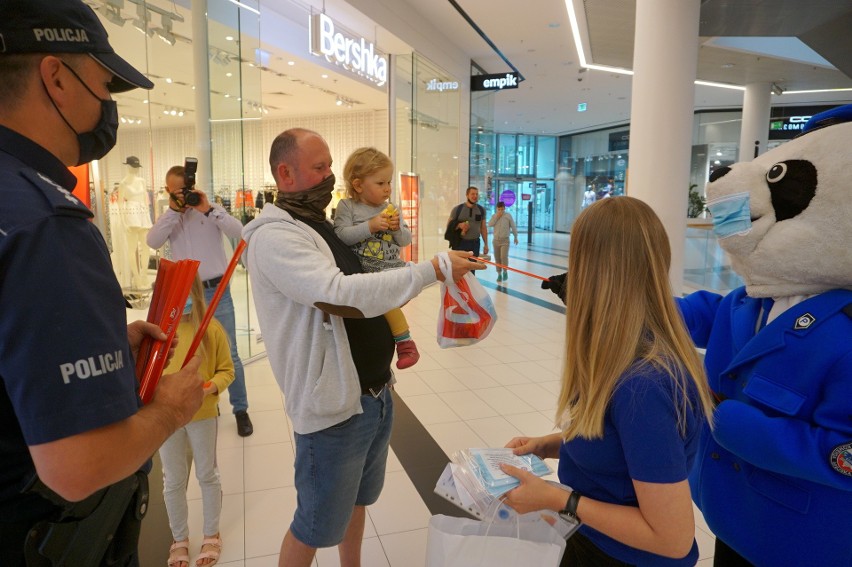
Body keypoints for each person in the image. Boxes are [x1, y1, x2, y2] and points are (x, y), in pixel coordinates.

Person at [0, 2, 204, 565]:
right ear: (57, 77)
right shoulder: (47, 224)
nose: (109, 105)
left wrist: (97, 349)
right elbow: (77, 467)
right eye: (105, 84)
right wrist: (168, 411)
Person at [241, 128, 483, 567]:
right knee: (314, 525)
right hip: (333, 410)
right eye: (319, 167)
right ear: (285, 172)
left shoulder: (326, 225)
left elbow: (373, 280)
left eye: (330, 165)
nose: (331, 175)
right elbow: (340, 294)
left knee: (356, 503)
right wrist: (430, 270)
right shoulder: (277, 237)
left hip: (375, 394)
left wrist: (422, 276)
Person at [500, 197, 715, 566]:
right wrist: (548, 445)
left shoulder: (643, 385)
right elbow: (617, 442)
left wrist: (557, 499)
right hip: (593, 541)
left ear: (593, 269)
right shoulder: (619, 354)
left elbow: (672, 538)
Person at [147, 165, 254, 437]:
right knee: (194, 351)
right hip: (187, 294)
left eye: (182, 191)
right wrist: (173, 211)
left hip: (218, 291)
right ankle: (206, 404)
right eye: (172, 192)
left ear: (192, 188)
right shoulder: (170, 218)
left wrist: (207, 208)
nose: (179, 196)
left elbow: (239, 230)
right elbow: (153, 240)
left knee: (230, 352)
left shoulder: (210, 209)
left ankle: (240, 409)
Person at [160, 276, 233, 567]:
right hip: (167, 418)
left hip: (202, 415)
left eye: (186, 294)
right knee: (173, 479)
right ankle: (179, 539)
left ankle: (211, 533)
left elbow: (227, 371)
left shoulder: (211, 330)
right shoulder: (162, 333)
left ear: (197, 295)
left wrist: (208, 387)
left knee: (207, 474)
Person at [334, 147, 419, 370]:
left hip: (394, 268)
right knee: (386, 307)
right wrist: (370, 226)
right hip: (367, 273)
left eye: (389, 182)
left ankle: (403, 344)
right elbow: (342, 236)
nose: (387, 189)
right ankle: (405, 342)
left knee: (391, 303)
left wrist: (397, 228)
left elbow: (405, 240)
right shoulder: (347, 207)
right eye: (380, 183)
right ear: (358, 185)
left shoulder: (392, 208)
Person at [115, 155, 152, 288]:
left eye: (137, 167)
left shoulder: (141, 181)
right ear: (128, 166)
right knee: (132, 248)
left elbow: (145, 200)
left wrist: (148, 216)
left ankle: (144, 275)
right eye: (134, 167)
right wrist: (123, 221)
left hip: (142, 213)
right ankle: (136, 279)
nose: (136, 170)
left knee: (146, 246)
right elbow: (119, 204)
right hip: (131, 213)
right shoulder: (123, 183)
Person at [447, 186, 489, 257]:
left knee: (472, 266)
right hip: (460, 243)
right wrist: (459, 225)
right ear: (467, 195)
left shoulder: (481, 210)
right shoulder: (457, 209)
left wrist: (486, 244)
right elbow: (449, 225)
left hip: (475, 244)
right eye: (472, 194)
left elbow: (483, 228)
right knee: (460, 267)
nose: (475, 196)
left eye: (476, 194)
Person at [487, 200, 519, 282]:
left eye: (502, 209)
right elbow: (490, 224)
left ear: (504, 208)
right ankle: (499, 274)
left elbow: (513, 226)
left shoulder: (508, 216)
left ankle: (505, 271)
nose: (500, 211)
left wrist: (515, 236)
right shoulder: (494, 216)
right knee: (497, 258)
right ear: (497, 209)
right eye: (499, 209)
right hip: (496, 241)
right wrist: (497, 217)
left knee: (503, 257)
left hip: (505, 241)